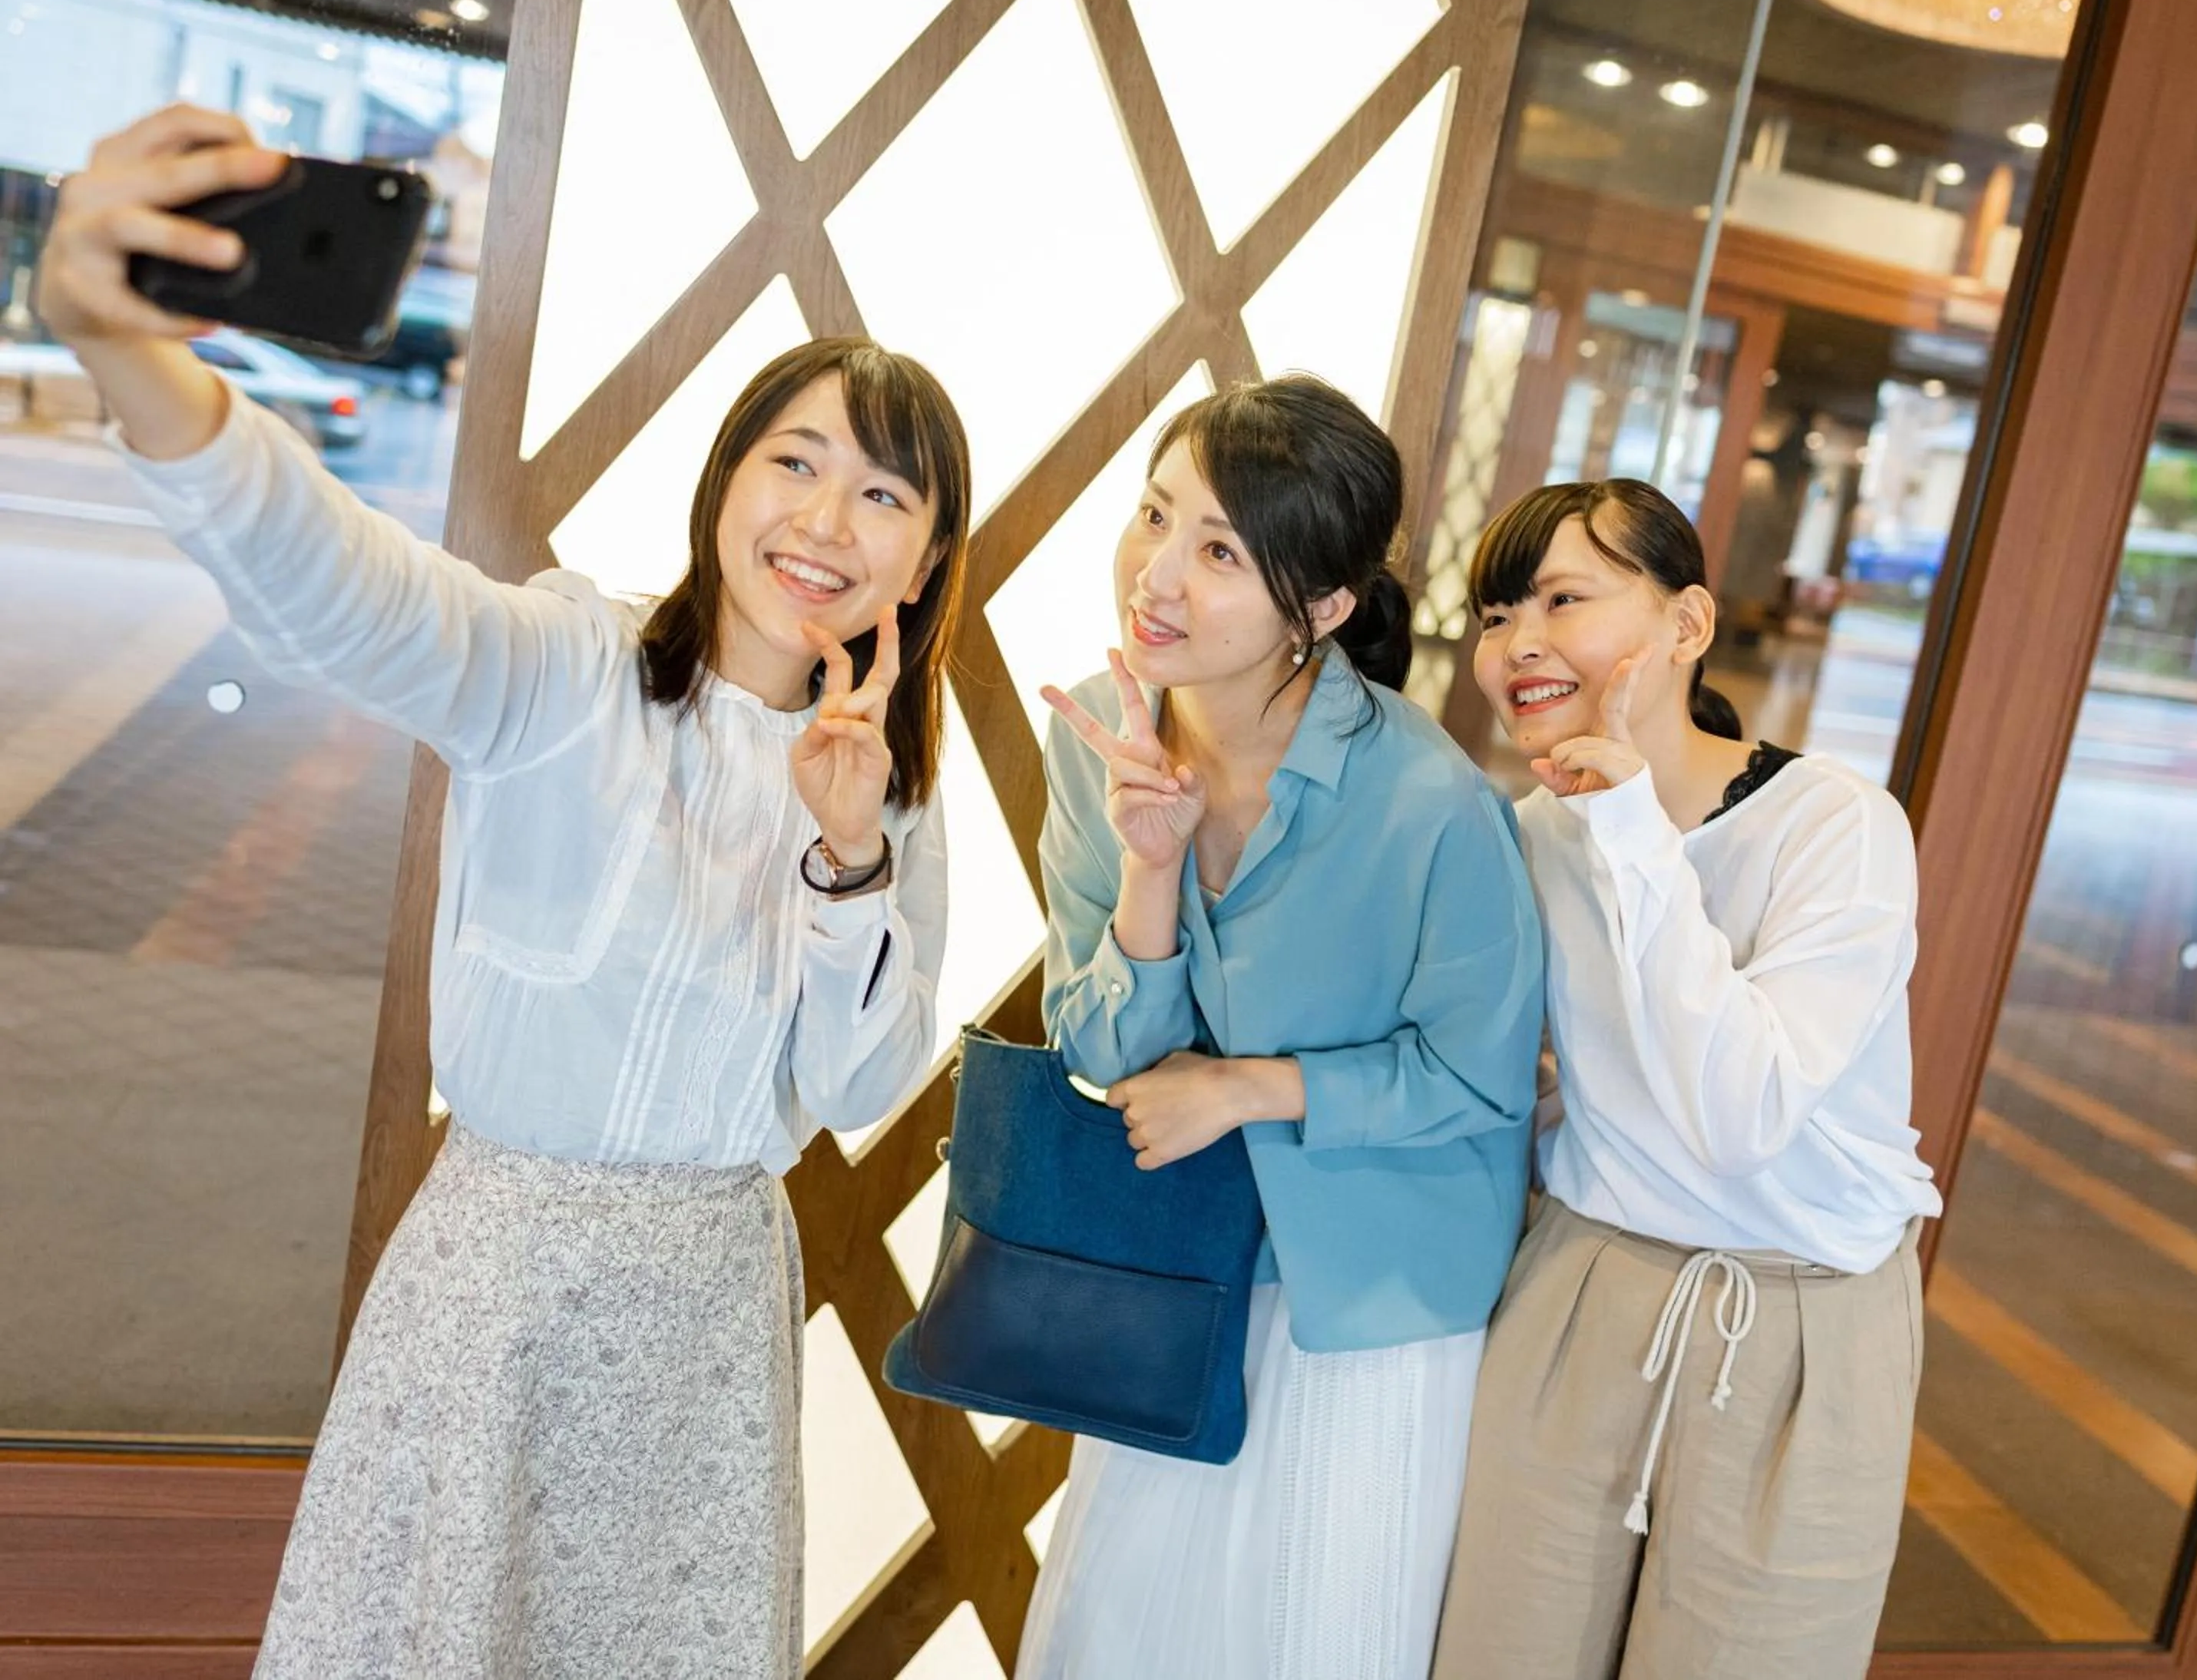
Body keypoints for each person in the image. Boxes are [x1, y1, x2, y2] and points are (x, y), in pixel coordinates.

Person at [35, 104, 974, 1678]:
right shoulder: (565, 668)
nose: (825, 523)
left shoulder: (888, 794)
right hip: (499, 1287)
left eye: (884, 497)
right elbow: (345, 588)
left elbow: (863, 1079)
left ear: (930, 555)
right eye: (794, 462)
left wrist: (849, 856)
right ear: (724, 481)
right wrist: (137, 364)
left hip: (704, 1319)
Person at [1015, 375, 1545, 1680]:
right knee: (1116, 1638)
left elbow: (1481, 1075)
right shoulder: (1103, 732)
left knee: (1318, 1639)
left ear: (1321, 607)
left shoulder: (1429, 798)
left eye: (1219, 552)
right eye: (1154, 516)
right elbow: (1099, 1050)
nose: (1157, 575)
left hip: (1372, 1305)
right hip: (1177, 1281)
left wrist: (1253, 1085)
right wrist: (1149, 874)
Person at [1431, 478, 1942, 1680]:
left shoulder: (1839, 825)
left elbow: (1743, 1111)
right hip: (1582, 1295)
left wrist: (1629, 837)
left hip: (1804, 1326)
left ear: (1686, 624)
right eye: (1497, 614)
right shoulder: (1527, 833)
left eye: (1565, 597)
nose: (1520, 643)